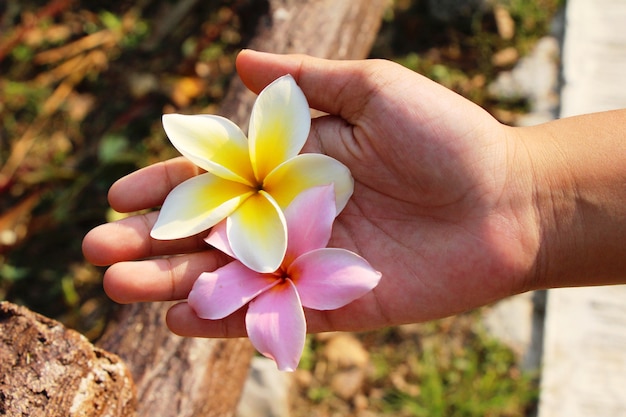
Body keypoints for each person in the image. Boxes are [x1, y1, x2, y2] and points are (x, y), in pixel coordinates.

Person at [82, 49, 626, 339]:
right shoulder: (255, 197)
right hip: (253, 198)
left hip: (269, 201)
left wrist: (523, 189)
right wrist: (526, 191)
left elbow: (330, 183)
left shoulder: (307, 180)